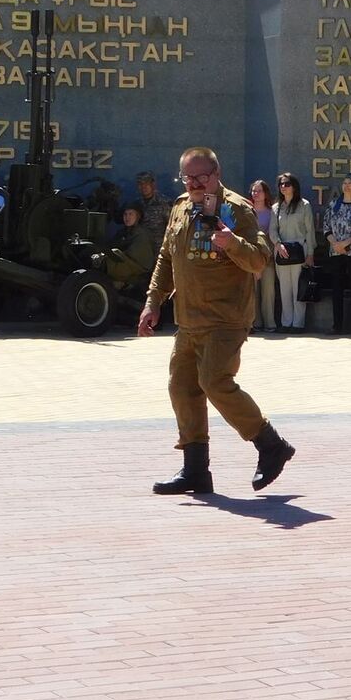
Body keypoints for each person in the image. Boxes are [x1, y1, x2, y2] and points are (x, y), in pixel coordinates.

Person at [138, 146, 295, 495]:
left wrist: (233, 243)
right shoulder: (180, 207)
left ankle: (270, 444)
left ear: (216, 174)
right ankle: (195, 469)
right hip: (189, 319)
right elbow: (167, 258)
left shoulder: (237, 209)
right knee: (182, 387)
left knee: (214, 381)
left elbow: (259, 260)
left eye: (201, 177)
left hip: (226, 319)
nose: (194, 184)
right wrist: (153, 302)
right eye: (188, 177)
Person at [269, 173, 317, 333]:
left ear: (294, 186)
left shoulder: (304, 205)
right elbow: (272, 230)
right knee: (284, 289)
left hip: (300, 251)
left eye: (287, 184)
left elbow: (310, 230)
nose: (283, 187)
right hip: (282, 252)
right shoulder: (276, 208)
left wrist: (310, 253)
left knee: (298, 288)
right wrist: (277, 244)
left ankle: (298, 324)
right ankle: (286, 322)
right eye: (281, 184)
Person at [322, 173, 351, 335]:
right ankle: (337, 325)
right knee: (337, 288)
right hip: (335, 252)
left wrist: (345, 243)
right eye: (344, 183)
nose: (346, 185)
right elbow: (326, 226)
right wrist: (335, 243)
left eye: (350, 183)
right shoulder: (334, 204)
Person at [101, 203, 160, 288]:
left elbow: (134, 256)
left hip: (138, 267)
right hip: (128, 262)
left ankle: (126, 282)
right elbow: (111, 244)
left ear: (138, 216)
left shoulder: (141, 234)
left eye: (130, 214)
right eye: (125, 214)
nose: (127, 217)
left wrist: (108, 255)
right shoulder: (123, 231)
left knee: (113, 255)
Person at [248, 179, 276, 331]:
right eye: (254, 191)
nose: (256, 194)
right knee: (253, 292)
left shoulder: (272, 212)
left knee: (268, 291)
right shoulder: (246, 210)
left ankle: (270, 323)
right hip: (251, 258)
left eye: (259, 191)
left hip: (268, 258)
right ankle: (255, 322)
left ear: (265, 194)